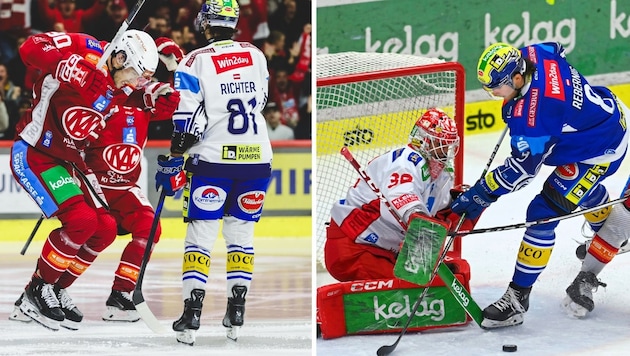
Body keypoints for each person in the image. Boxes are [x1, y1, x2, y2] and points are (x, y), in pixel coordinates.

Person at [450, 42, 630, 329]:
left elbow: (522, 171)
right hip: (606, 115)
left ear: (517, 78)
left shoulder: (536, 117)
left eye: (497, 87)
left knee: (542, 213)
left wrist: (483, 193)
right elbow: (557, 48)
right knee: (572, 191)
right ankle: (611, 226)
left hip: (601, 149)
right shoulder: (532, 54)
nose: (494, 93)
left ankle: (517, 300)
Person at [10, 29, 160, 331]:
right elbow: (30, 47)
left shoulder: (123, 84)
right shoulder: (88, 48)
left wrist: (154, 98)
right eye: (136, 74)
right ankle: (35, 292)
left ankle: (56, 287)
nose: (136, 83)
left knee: (103, 228)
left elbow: (138, 101)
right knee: (80, 220)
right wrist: (63, 65)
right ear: (119, 58)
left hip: (69, 161)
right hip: (36, 151)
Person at [154, 0, 272, 346]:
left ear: (204, 23)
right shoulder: (256, 54)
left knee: (200, 238)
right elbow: (261, 99)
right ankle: (237, 310)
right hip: (257, 160)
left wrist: (175, 157)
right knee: (242, 237)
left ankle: (192, 316)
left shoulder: (194, 61)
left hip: (213, 163)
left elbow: (188, 125)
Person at [85, 38, 180, 322]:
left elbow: (172, 103)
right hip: (91, 181)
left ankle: (121, 293)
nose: (142, 80)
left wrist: (173, 69)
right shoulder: (101, 91)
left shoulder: (143, 95)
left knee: (150, 226)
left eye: (147, 75)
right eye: (141, 72)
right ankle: (47, 286)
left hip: (125, 187)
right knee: (93, 231)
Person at [324, 108, 473, 282]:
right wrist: (419, 218)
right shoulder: (406, 160)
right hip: (355, 247)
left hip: (389, 251)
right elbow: (402, 195)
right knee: (420, 283)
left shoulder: (442, 174)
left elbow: (441, 218)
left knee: (458, 272)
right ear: (425, 139)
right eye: (441, 142)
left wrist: (468, 204)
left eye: (448, 143)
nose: (446, 148)